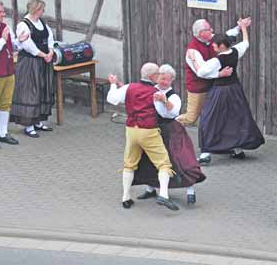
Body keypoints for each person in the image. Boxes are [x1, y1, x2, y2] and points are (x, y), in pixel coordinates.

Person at [176, 17, 251, 164]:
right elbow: (200, 72)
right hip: (199, 89)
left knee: (217, 118)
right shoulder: (193, 51)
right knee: (192, 117)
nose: (212, 31)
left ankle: (222, 149)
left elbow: (226, 36)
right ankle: (167, 125)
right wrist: (219, 74)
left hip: (217, 88)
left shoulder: (214, 42)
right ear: (200, 33)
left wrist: (239, 27)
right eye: (209, 29)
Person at [107, 63, 179, 211]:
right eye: (158, 74)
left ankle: (126, 197)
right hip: (148, 131)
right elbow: (166, 114)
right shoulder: (155, 93)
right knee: (164, 164)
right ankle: (164, 195)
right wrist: (164, 101)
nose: (160, 76)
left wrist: (114, 84)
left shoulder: (129, 87)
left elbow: (112, 99)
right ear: (153, 76)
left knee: (129, 164)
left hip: (131, 129)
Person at [189, 19, 264, 160]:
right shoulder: (235, 52)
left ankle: (206, 152)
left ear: (221, 46)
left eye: (215, 45)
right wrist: (243, 28)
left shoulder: (216, 61)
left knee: (208, 119)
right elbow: (246, 43)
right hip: (235, 89)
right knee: (235, 117)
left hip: (220, 91)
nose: (213, 46)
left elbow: (201, 72)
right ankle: (237, 148)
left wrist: (197, 62)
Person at [132, 64, 206, 204]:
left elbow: (173, 112)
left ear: (172, 81)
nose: (163, 81)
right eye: (161, 78)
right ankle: (150, 189)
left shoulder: (173, 96)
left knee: (181, 160)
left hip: (171, 131)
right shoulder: (150, 90)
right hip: (152, 129)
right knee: (149, 160)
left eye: (167, 79)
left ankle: (190, 190)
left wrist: (164, 101)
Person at [10, 0, 55, 137]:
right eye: (42, 9)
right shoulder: (23, 25)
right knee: (30, 92)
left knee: (42, 89)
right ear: (36, 10)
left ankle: (38, 121)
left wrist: (51, 51)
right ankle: (29, 126)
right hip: (30, 63)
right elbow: (28, 46)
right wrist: (43, 55)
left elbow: (50, 38)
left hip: (44, 61)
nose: (44, 11)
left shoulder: (42, 22)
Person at [0, 0, 28, 150]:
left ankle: (3, 133)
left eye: (3, 12)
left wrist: (20, 41)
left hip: (8, 70)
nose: (3, 15)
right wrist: (2, 40)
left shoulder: (5, 27)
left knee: (5, 103)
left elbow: (12, 47)